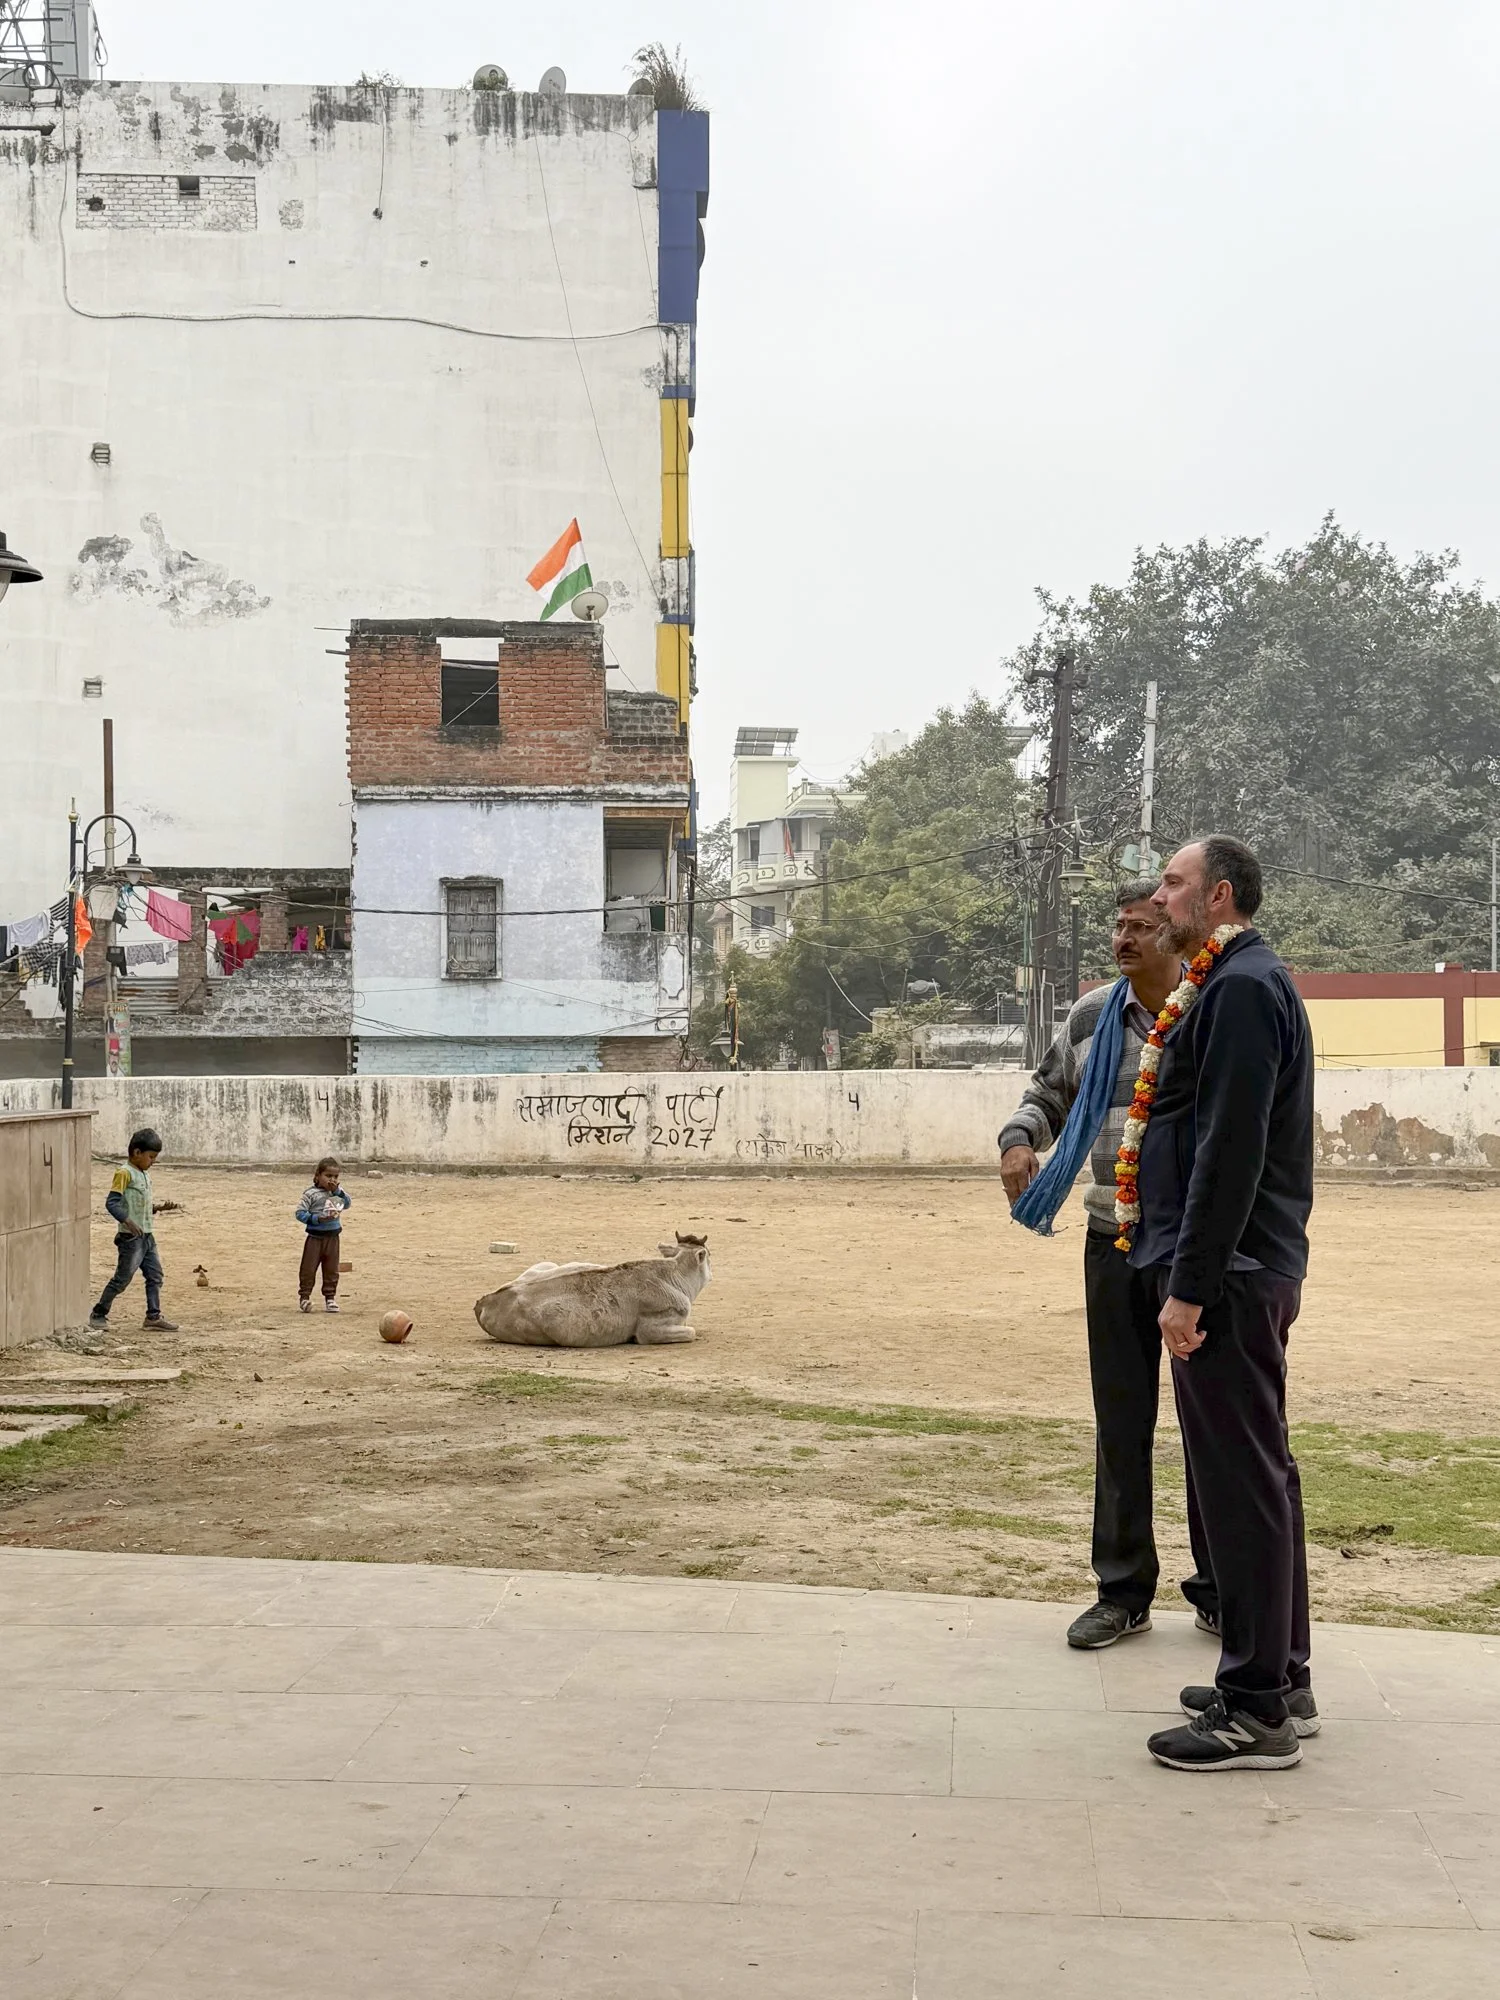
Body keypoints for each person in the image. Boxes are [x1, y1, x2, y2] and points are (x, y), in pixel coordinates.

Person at [1128, 836, 1316, 1773]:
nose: (1161, 898)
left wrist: (1190, 1286)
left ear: (1221, 896)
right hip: (1244, 1267)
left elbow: (1230, 1149)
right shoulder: (1233, 980)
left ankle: (1256, 1710)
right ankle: (1280, 1674)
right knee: (1261, 1475)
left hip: (1230, 1276)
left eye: (1174, 882)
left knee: (1242, 1485)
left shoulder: (1241, 988)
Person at [1001, 880, 1219, 1650]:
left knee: (1208, 1422)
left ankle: (1219, 1589)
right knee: (1121, 1418)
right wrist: (1020, 1139)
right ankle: (1122, 1591)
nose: (1123, 940)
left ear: (1177, 933)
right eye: (1117, 927)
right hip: (1111, 1240)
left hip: (1193, 1246)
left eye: (1139, 927)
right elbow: (1047, 1091)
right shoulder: (1094, 1015)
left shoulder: (1206, 1010)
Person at [89, 1128, 179, 1332]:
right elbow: (112, 1203)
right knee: (122, 1279)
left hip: (147, 1235)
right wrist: (128, 1221)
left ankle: (153, 1316)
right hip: (130, 1238)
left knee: (155, 1275)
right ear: (137, 1153)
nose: (153, 1162)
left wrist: (156, 1208)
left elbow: (137, 1203)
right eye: (151, 1157)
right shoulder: (124, 1173)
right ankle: (98, 1313)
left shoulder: (143, 1174)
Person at [296, 1156, 351, 1314]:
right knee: (308, 1268)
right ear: (318, 1176)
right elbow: (300, 1213)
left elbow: (347, 1204)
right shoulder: (310, 1194)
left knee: (331, 1269)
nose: (332, 1180)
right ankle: (304, 1297)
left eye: (335, 1176)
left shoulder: (337, 1193)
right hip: (315, 1238)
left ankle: (330, 1298)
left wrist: (338, 1192)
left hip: (333, 1238)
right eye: (328, 1176)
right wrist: (316, 1219)